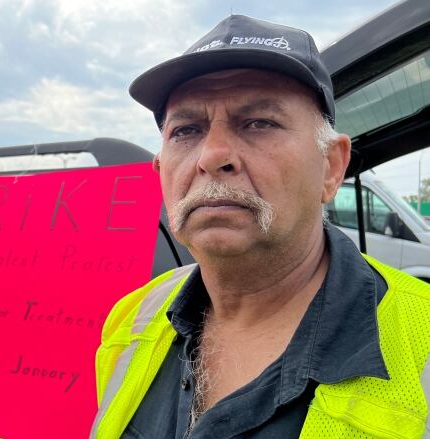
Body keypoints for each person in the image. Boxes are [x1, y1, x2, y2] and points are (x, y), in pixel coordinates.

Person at [91, 14, 430, 438]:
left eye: (259, 123)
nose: (212, 155)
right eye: (186, 130)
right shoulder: (134, 317)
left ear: (331, 167)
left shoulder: (423, 339)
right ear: (160, 171)